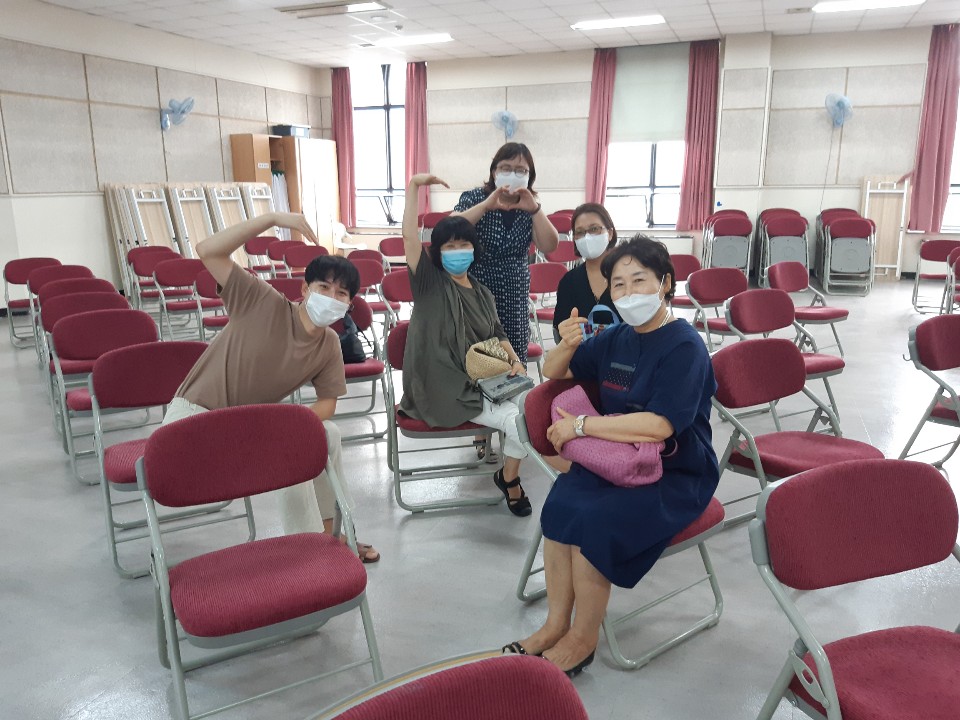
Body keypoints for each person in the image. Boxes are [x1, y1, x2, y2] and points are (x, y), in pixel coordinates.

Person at [503, 236, 719, 676]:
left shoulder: (684, 345)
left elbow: (660, 426)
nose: (628, 292)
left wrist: (582, 426)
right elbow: (553, 372)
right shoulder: (616, 337)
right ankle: (555, 624)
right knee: (560, 505)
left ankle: (583, 638)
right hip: (614, 459)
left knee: (596, 522)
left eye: (639, 280)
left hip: (674, 470)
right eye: (618, 285)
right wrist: (566, 343)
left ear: (665, 283)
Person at [162, 212, 379, 563]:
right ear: (304, 289)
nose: (331, 297)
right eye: (324, 287)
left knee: (326, 435)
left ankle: (333, 532)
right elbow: (208, 251)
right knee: (293, 449)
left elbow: (327, 404)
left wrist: (292, 425)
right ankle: (310, 551)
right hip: (192, 419)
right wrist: (272, 218)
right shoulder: (262, 302)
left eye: (341, 293)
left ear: (348, 305)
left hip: (243, 426)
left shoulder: (328, 344)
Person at [398, 173, 534, 517]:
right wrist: (414, 187)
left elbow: (498, 333)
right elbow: (409, 236)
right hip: (443, 386)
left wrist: (516, 362)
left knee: (531, 406)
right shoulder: (429, 283)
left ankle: (506, 474)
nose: (457, 251)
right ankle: (512, 483)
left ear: (474, 249)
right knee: (515, 420)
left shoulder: (482, 292)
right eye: (449, 246)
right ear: (437, 252)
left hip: (483, 380)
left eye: (464, 244)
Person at [451, 142, 560, 364]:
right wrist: (485, 206)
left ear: (529, 176)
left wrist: (535, 210)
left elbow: (550, 245)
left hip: (514, 293)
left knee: (513, 356)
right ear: (494, 172)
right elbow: (449, 228)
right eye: (506, 168)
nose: (512, 174)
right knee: (479, 355)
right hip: (478, 289)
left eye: (521, 171)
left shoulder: (529, 206)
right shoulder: (475, 197)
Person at [551, 203, 623, 344]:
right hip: (581, 353)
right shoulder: (569, 281)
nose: (587, 237)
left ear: (610, 233)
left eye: (594, 229)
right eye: (580, 232)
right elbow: (561, 329)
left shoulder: (627, 277)